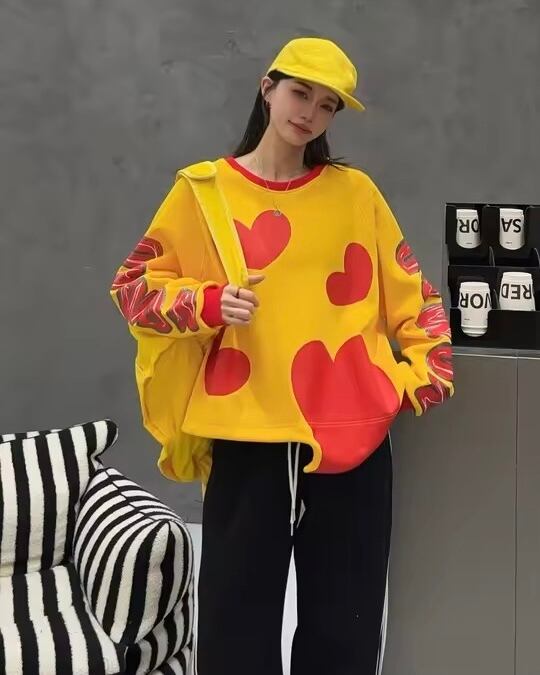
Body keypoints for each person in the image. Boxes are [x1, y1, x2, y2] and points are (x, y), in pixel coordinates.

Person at [110, 36, 454, 675]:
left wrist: (422, 377)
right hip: (247, 432)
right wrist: (209, 302)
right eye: (300, 93)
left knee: (346, 629)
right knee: (234, 629)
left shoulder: (355, 195)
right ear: (267, 88)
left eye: (327, 105)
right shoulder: (205, 192)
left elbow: (414, 294)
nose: (310, 113)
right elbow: (133, 291)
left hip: (350, 439)